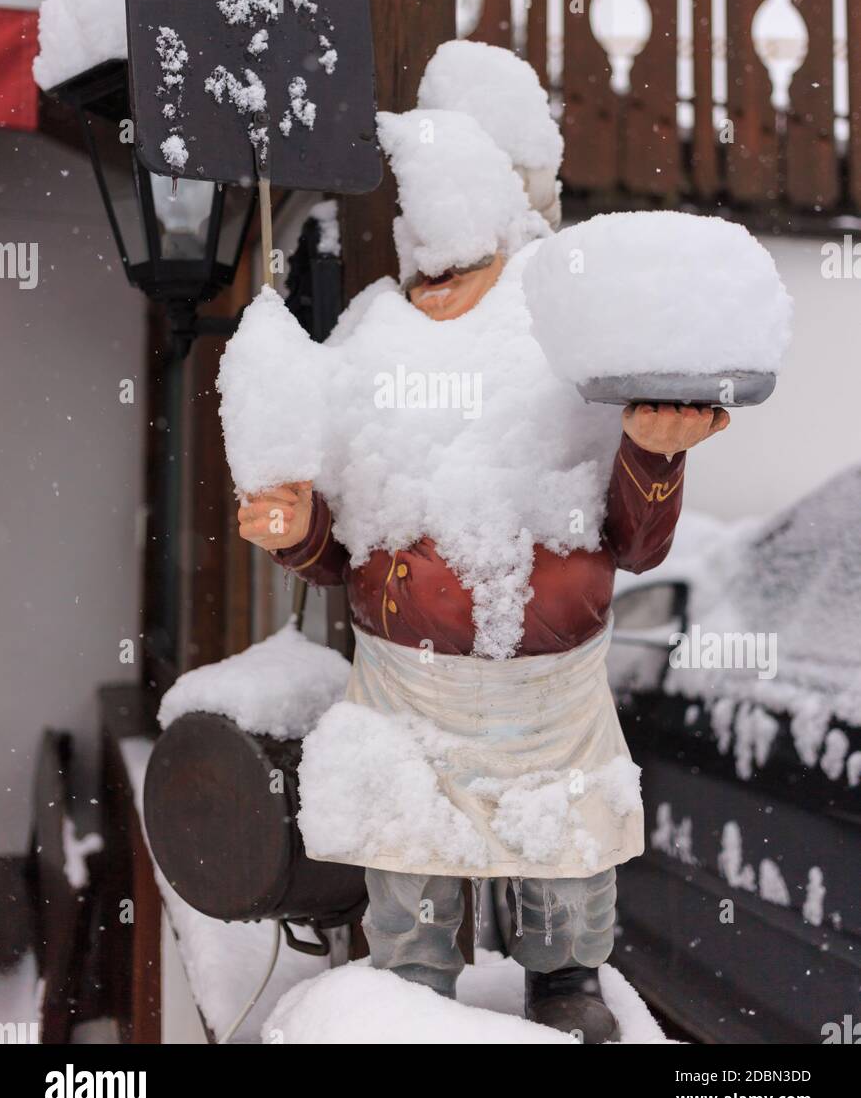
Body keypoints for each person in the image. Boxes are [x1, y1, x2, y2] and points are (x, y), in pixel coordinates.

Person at [237, 58, 729, 1042]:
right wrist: (299, 533)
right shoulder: (371, 336)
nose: (434, 246)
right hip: (404, 689)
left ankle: (562, 976)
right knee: (406, 871)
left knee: (560, 851)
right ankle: (409, 989)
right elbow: (342, 550)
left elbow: (631, 539)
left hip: (549, 691)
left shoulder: (564, 341)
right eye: (418, 216)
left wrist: (651, 454)